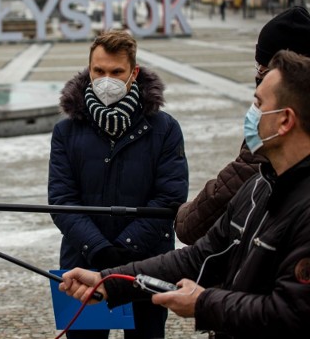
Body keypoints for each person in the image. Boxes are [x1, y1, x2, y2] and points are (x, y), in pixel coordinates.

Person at [59, 50, 310, 338]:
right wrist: (107, 282)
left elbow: (291, 313)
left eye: (258, 103)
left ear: (285, 120)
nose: (250, 114)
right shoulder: (257, 187)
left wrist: (203, 303)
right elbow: (199, 256)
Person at [48, 30, 188, 338]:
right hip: (82, 261)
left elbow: (169, 199)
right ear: (89, 70)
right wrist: (98, 250)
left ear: (133, 73)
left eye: (116, 72)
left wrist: (123, 251)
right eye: (99, 71)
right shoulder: (66, 131)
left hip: (148, 264)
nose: (105, 79)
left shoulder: (164, 129)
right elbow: (61, 200)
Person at [175, 5, 310, 245]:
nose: (257, 83)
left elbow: (195, 225)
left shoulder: (275, 134)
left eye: (263, 71)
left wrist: (182, 213)